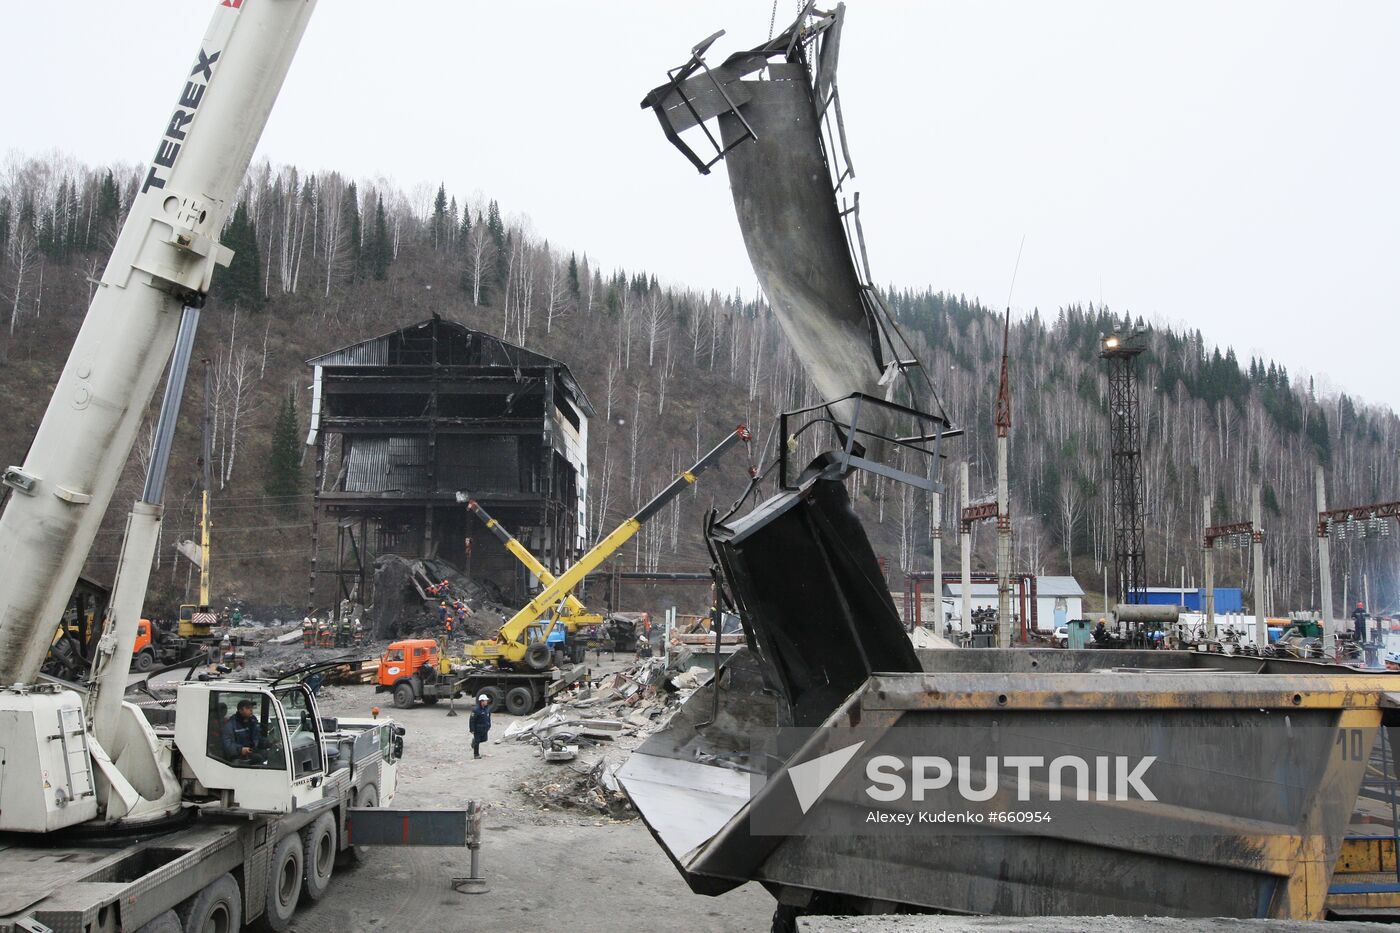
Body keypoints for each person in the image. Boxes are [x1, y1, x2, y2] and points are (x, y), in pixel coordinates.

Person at [221, 699, 266, 763]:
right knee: (258, 758)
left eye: (251, 708)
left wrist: (270, 743)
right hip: (237, 756)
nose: (251, 710)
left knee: (268, 753)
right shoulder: (231, 725)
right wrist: (240, 750)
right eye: (247, 708)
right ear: (240, 710)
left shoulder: (253, 721)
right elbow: (227, 745)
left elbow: (257, 737)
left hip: (251, 751)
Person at [468, 694, 492, 759]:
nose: (487, 701)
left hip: (485, 728)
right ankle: (476, 755)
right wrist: (472, 729)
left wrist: (489, 725)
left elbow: (488, 717)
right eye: (485, 700)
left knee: (484, 739)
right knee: (477, 741)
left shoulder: (487, 708)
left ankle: (474, 742)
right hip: (477, 729)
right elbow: (472, 720)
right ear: (481, 701)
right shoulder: (476, 710)